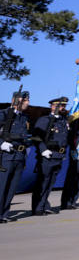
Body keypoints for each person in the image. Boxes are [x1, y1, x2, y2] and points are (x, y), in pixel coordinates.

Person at [31, 96, 71, 215]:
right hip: (47, 155)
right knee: (42, 182)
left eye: (64, 106)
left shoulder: (63, 121)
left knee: (50, 183)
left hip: (58, 155)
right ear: (53, 106)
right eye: (61, 105)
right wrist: (43, 150)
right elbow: (36, 136)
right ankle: (37, 208)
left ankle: (44, 205)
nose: (63, 108)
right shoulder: (45, 120)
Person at [1, 90, 33, 222]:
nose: (28, 103)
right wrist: (1, 143)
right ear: (17, 100)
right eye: (25, 100)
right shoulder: (3, 114)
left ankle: (4, 213)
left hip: (19, 156)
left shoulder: (24, 118)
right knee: (2, 186)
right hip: (5, 156)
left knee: (12, 187)